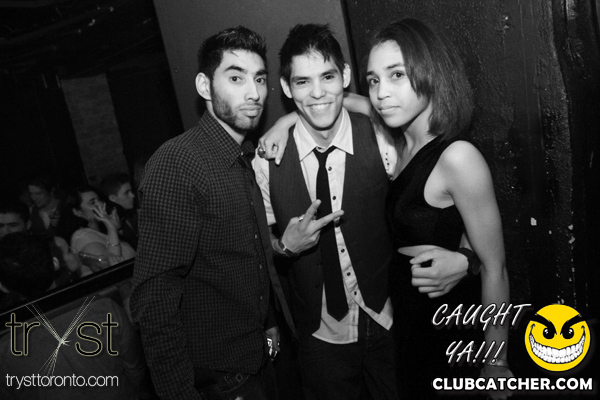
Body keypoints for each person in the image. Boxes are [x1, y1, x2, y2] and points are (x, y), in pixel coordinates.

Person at [259, 18, 512, 400]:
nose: (381, 93)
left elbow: (496, 263)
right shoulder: (401, 143)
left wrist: (495, 362)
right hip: (391, 328)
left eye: (396, 75)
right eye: (374, 80)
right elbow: (336, 101)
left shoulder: (444, 153)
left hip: (433, 326)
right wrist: (288, 118)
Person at [129, 26, 341, 400]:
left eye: (258, 78)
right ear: (204, 86)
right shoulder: (178, 163)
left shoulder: (239, 156)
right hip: (220, 377)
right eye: (235, 78)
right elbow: (154, 297)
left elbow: (247, 258)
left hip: (254, 358)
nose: (253, 93)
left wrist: (268, 323)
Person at [253, 24, 399, 400]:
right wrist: (284, 246)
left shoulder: (382, 135)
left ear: (345, 76)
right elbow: (256, 247)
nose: (317, 93)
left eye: (328, 77)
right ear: (286, 88)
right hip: (320, 335)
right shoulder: (266, 161)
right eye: (303, 82)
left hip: (390, 317)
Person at [0, 232, 150, 399]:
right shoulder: (104, 308)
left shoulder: (6, 347)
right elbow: (136, 370)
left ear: (3, 287)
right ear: (55, 263)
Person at [57, 186, 135, 273]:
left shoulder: (100, 229)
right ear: (77, 212)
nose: (100, 204)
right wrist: (112, 229)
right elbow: (111, 269)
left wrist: (115, 228)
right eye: (92, 202)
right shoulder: (84, 237)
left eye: (99, 199)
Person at [100, 173, 139, 249]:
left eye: (131, 191)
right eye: (126, 193)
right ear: (113, 198)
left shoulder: (132, 214)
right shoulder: (111, 223)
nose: (132, 195)